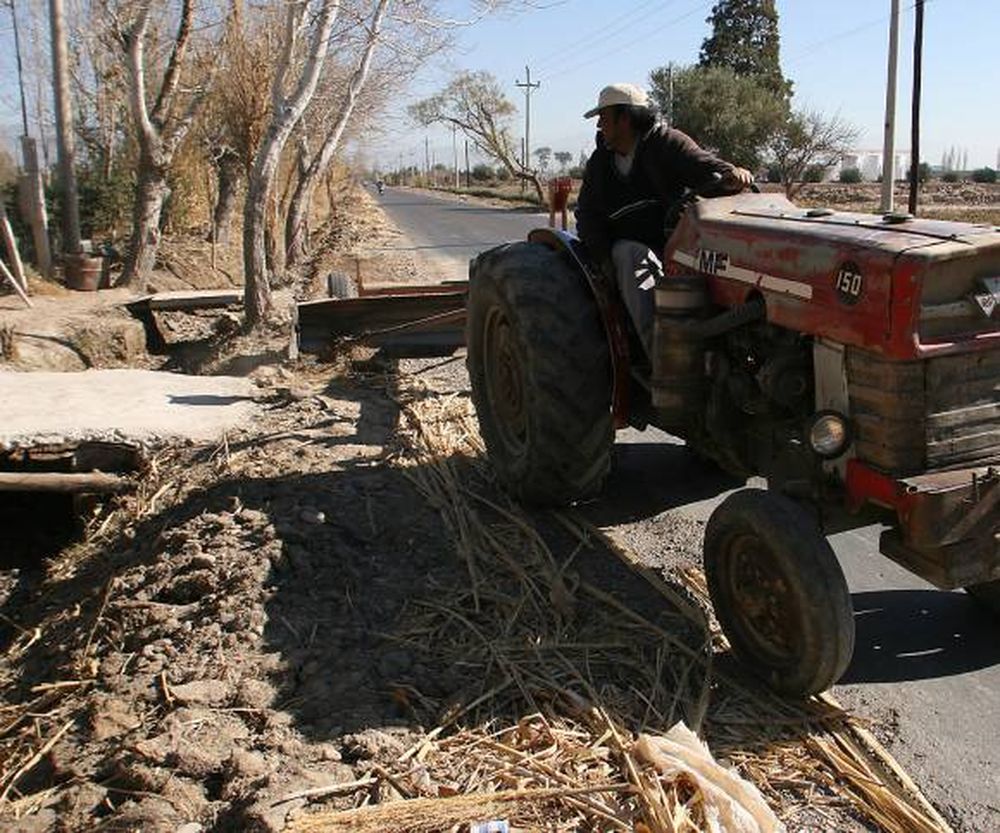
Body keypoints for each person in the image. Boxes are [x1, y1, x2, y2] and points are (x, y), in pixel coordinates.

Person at [575, 82, 754, 360]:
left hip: (677, 244)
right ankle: (663, 361)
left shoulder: (667, 143)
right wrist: (602, 259)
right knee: (634, 255)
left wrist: (732, 173)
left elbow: (703, 166)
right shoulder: (599, 164)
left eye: (604, 117)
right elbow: (587, 216)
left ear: (625, 118)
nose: (599, 125)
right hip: (626, 251)